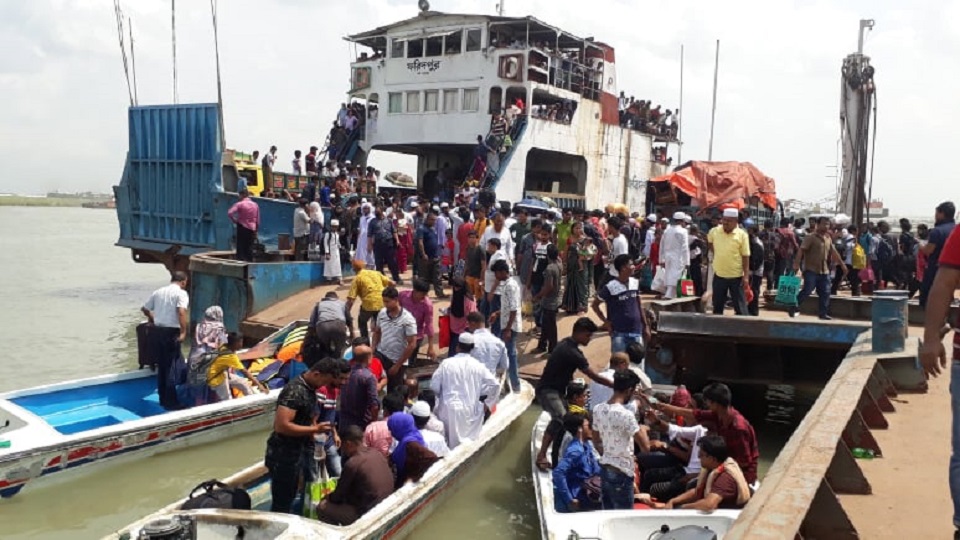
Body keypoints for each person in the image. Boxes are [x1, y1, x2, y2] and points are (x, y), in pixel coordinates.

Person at [534, 317, 612, 470]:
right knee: (562, 420)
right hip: (548, 391)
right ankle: (542, 455)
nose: (589, 339)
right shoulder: (571, 352)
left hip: (558, 391)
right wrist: (616, 385)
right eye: (588, 335)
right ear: (580, 333)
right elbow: (594, 376)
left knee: (573, 419)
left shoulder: (566, 343)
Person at [264, 358, 341, 513]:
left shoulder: (311, 390)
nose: (324, 386)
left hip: (299, 453)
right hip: (283, 455)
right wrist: (313, 430)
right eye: (324, 382)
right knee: (282, 502)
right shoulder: (295, 391)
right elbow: (281, 426)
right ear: (317, 374)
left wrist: (317, 440)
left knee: (293, 492)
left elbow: (308, 419)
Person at [654, 382, 759, 485]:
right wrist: (666, 407)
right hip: (720, 467)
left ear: (715, 404)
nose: (707, 405)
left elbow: (744, 462)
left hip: (738, 475)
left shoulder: (738, 428)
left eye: (708, 401)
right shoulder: (719, 415)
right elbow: (695, 414)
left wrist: (712, 469)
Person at [430, 332, 501, 449]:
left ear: (457, 347)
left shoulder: (446, 363)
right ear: (472, 349)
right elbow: (495, 385)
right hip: (468, 411)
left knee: (447, 443)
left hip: (447, 409)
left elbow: (434, 386)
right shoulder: (479, 366)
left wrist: (441, 397)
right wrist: (488, 404)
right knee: (464, 445)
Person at [316, 425, 394, 526]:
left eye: (342, 446)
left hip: (369, 515)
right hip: (386, 506)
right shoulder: (376, 453)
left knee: (322, 507)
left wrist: (326, 497)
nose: (343, 450)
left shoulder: (353, 463)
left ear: (348, 444)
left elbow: (337, 497)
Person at [592, 370, 648, 510]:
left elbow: (596, 440)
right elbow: (646, 447)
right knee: (624, 516)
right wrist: (643, 428)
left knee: (608, 512)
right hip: (622, 473)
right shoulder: (627, 415)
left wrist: (610, 453)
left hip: (605, 469)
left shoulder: (598, 409)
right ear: (630, 390)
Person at [141, 272, 190, 410]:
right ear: (183, 282)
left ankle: (164, 398)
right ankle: (172, 402)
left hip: (157, 332)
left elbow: (144, 308)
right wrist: (183, 331)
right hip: (170, 333)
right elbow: (181, 312)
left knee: (163, 366)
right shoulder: (181, 294)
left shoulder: (158, 292)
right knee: (169, 368)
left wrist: (152, 318)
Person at [662, 435, 751, 510]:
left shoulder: (725, 478)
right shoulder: (711, 468)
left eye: (701, 455)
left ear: (712, 459)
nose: (698, 457)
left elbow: (709, 504)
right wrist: (674, 501)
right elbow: (698, 491)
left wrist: (682, 508)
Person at [592, 254, 652, 354]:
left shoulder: (635, 283)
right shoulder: (610, 287)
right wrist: (606, 322)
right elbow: (595, 305)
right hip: (619, 333)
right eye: (631, 264)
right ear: (623, 268)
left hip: (636, 331)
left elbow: (639, 305)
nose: (634, 267)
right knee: (619, 364)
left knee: (637, 365)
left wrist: (645, 326)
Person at [791, 216, 845, 320]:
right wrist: (796, 264)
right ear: (818, 224)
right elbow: (801, 250)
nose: (826, 226)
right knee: (808, 289)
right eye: (824, 223)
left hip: (824, 270)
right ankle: (794, 305)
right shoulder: (810, 237)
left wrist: (842, 265)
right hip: (811, 269)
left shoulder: (828, 238)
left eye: (828, 224)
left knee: (826, 292)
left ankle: (823, 313)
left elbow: (834, 252)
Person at [552, 412, 602, 513]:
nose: (592, 429)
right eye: (589, 426)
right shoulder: (576, 451)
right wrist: (569, 499)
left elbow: (596, 469)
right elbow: (558, 473)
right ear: (580, 429)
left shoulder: (586, 445)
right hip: (579, 496)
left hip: (589, 490)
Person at [371, 286, 418, 392]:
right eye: (384, 301)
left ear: (396, 300)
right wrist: (373, 349)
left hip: (396, 360)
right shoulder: (382, 313)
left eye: (387, 301)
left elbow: (412, 344)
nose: (385, 304)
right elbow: (377, 332)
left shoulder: (408, 319)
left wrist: (397, 365)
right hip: (381, 354)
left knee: (394, 390)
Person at [707, 208, 750, 315]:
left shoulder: (742, 235)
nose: (725, 222)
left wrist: (746, 276)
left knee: (740, 308)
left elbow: (745, 256)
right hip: (719, 275)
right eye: (724, 219)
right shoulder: (714, 231)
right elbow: (710, 243)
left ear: (736, 221)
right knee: (717, 307)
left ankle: (743, 329)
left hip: (736, 276)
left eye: (729, 220)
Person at [488, 259, 522, 392]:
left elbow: (513, 309)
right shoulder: (507, 285)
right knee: (507, 354)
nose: (496, 276)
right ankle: (509, 383)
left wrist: (508, 329)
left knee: (510, 355)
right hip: (507, 323)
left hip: (511, 327)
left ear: (503, 272)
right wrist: (497, 313)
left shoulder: (511, 286)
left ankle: (515, 385)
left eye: (496, 273)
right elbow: (508, 307)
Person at [206, 332, 267, 401]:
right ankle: (231, 410)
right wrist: (259, 385)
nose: (241, 344)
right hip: (216, 379)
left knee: (242, 382)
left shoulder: (224, 346)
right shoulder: (230, 356)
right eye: (240, 342)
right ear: (234, 343)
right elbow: (245, 372)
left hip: (222, 373)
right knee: (227, 399)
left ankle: (253, 400)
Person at [920, 201, 957, 307]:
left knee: (928, 298)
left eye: (936, 213)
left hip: (936, 269)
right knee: (947, 297)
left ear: (941, 213)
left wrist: (920, 246)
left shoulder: (937, 231)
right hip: (953, 270)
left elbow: (929, 250)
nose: (935, 216)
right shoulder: (955, 229)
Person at [346, 260, 394, 340]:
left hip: (368, 305)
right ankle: (383, 341)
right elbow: (392, 283)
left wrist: (346, 313)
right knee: (381, 323)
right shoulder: (376, 273)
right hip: (382, 303)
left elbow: (351, 299)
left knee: (362, 322)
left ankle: (365, 341)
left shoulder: (357, 278)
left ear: (354, 269)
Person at [388, 413, 440, 487]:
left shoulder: (410, 444)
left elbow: (431, 458)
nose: (391, 432)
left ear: (399, 428)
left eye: (392, 429)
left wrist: (411, 480)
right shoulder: (413, 435)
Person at [338, 344, 380, 433]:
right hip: (361, 424)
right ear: (368, 358)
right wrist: (374, 423)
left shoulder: (346, 373)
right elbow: (374, 405)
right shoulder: (369, 377)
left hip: (344, 421)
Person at [534, 244, 563, 353]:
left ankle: (552, 349)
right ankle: (542, 345)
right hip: (555, 298)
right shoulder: (559, 264)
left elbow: (548, 286)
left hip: (549, 301)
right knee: (546, 324)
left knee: (551, 327)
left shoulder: (550, 268)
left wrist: (538, 296)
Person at [309, 291, 352, 361]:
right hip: (339, 326)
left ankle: (328, 360)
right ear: (337, 298)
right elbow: (349, 320)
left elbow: (312, 322)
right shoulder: (342, 303)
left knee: (325, 349)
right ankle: (337, 360)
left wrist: (312, 336)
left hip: (323, 326)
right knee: (339, 349)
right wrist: (352, 334)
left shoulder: (319, 304)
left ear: (325, 298)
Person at [364, 392, 406, 457]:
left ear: (385, 410)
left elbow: (364, 450)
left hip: (375, 464)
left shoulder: (372, 427)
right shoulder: (408, 427)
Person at [466, 311, 508, 376]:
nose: (467, 327)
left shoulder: (469, 341)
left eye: (468, 324)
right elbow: (504, 366)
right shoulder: (499, 343)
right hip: (491, 381)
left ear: (472, 323)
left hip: (473, 381)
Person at [660, 212, 691, 299]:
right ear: (682, 221)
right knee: (676, 275)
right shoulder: (683, 231)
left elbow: (661, 246)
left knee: (669, 274)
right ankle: (669, 294)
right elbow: (685, 248)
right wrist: (687, 262)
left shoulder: (667, 231)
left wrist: (661, 259)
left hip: (667, 256)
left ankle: (672, 293)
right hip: (678, 256)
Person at [562, 222, 590, 314]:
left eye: (580, 228)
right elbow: (565, 253)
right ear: (572, 229)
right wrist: (565, 265)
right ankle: (570, 306)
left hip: (582, 264)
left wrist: (583, 254)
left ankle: (582, 306)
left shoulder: (586, 240)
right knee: (571, 284)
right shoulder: (569, 239)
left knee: (582, 285)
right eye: (576, 228)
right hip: (571, 265)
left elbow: (591, 252)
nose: (578, 230)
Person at [416, 212, 446, 298]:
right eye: (432, 220)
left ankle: (439, 293)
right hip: (426, 258)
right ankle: (424, 294)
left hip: (435, 256)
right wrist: (423, 253)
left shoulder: (433, 229)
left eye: (435, 220)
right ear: (427, 219)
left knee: (437, 276)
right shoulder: (421, 229)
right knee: (424, 277)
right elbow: (420, 242)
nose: (434, 222)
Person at [371, 206, 402, 283]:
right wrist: (369, 245)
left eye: (378, 211)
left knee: (392, 262)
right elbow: (369, 234)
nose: (376, 213)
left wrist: (397, 240)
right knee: (378, 263)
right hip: (378, 244)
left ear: (382, 211)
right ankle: (381, 280)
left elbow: (394, 231)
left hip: (389, 244)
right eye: (376, 212)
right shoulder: (372, 222)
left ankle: (396, 278)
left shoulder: (389, 220)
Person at [447, 277, 478, 356]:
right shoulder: (454, 297)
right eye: (455, 287)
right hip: (453, 328)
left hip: (464, 329)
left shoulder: (469, 300)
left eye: (458, 287)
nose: (456, 289)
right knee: (452, 351)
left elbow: (472, 315)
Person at [228, 189, 260, 262]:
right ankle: (250, 264)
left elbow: (230, 213)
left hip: (242, 226)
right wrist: (256, 230)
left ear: (242, 195)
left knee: (240, 247)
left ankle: (240, 264)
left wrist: (235, 220)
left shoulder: (240, 204)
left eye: (239, 195)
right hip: (252, 228)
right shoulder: (255, 205)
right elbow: (258, 220)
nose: (238, 197)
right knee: (249, 248)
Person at [463, 230, 485, 300]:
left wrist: (481, 279)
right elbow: (467, 262)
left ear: (477, 238)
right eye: (470, 237)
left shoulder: (480, 249)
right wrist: (464, 275)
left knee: (479, 298)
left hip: (477, 277)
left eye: (473, 237)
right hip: (469, 276)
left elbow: (483, 266)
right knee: (468, 296)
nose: (471, 239)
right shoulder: (468, 248)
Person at [355, 203, 376, 268]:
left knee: (371, 254)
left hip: (370, 238)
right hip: (362, 239)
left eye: (367, 208)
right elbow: (360, 229)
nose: (365, 210)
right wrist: (358, 240)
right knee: (362, 253)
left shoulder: (373, 218)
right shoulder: (361, 218)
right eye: (364, 208)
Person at [324, 220, 343, 284]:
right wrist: (327, 253)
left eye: (336, 227)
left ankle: (338, 279)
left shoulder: (337, 234)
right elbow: (325, 243)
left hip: (336, 252)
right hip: (330, 252)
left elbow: (337, 242)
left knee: (337, 265)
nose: (334, 228)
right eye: (333, 226)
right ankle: (328, 279)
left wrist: (340, 246)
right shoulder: (327, 234)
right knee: (329, 265)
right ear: (331, 227)